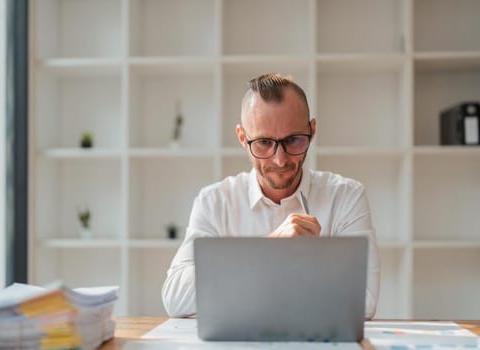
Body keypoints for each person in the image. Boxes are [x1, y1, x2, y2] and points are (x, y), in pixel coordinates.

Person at [162, 72, 380, 319]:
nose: (280, 159)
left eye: (294, 140)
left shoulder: (346, 197)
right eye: (264, 142)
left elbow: (365, 302)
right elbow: (175, 298)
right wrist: (267, 249)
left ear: (312, 131)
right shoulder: (214, 202)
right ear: (243, 138)